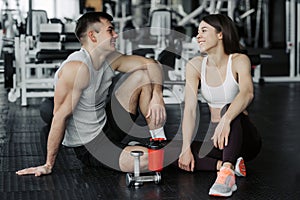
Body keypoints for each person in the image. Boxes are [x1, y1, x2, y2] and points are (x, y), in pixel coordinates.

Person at [16, 11, 167, 176]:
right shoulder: (76, 69)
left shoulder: (110, 58)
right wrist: (48, 165)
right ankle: (138, 150)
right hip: (91, 145)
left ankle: (158, 139)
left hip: (108, 124)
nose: (116, 34)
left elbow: (153, 64)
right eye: (110, 30)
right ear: (93, 36)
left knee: (143, 75)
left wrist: (157, 96)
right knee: (151, 161)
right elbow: (59, 117)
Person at [177, 14, 261, 197]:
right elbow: (190, 110)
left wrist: (226, 119)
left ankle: (226, 174)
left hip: (244, 138)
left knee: (228, 108)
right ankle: (227, 166)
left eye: (204, 30)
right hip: (217, 140)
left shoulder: (239, 60)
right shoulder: (195, 65)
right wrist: (185, 149)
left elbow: (247, 92)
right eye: (197, 31)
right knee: (174, 150)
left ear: (221, 34)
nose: (198, 35)